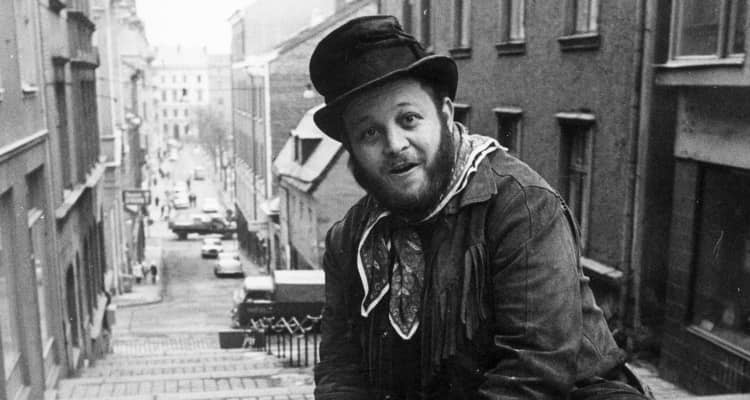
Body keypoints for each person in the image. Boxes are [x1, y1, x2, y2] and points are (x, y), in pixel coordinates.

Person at [309, 16, 651, 400]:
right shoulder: (348, 240)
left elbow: (533, 371)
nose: (395, 144)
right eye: (369, 132)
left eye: (409, 119)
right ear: (352, 149)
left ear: (445, 115)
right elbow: (340, 368)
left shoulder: (521, 206)